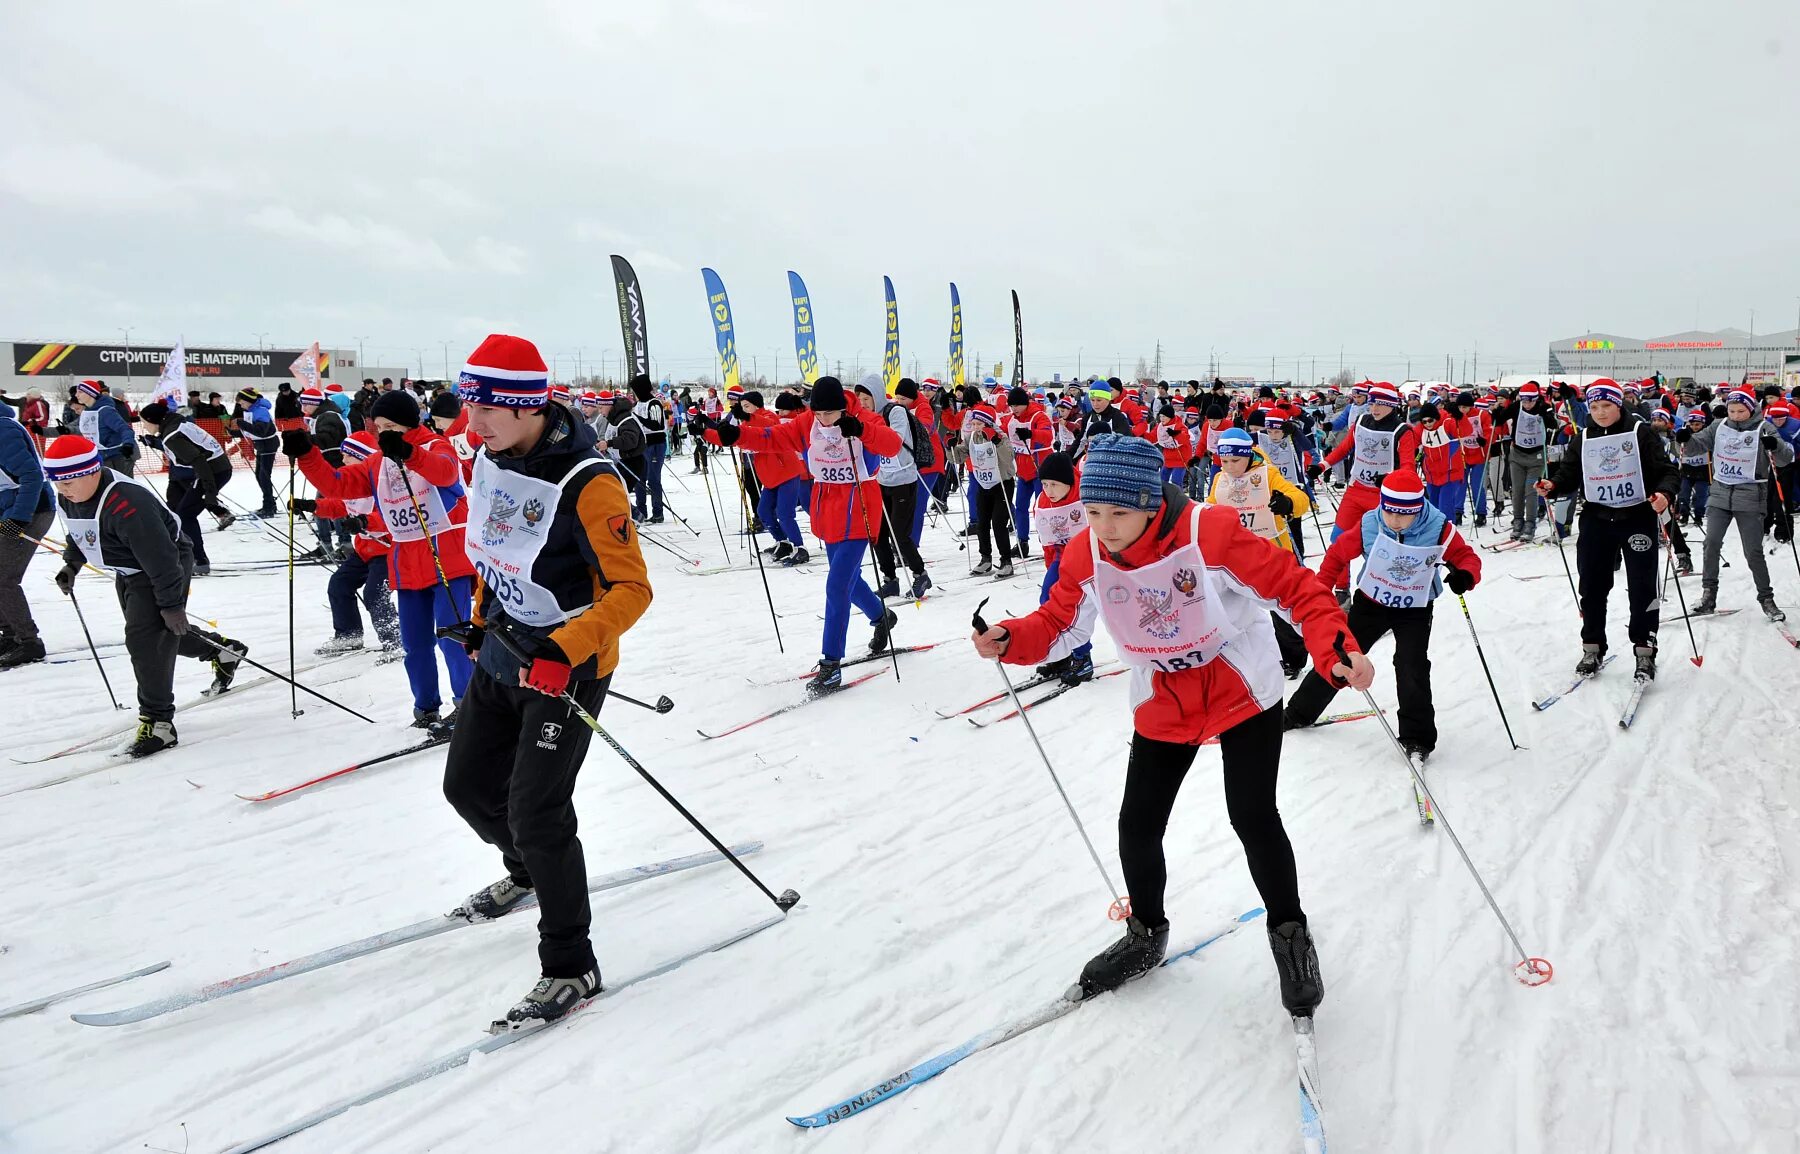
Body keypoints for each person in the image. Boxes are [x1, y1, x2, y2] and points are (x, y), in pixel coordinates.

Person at [970, 433, 1374, 1013]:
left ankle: (1290, 935)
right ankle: (1145, 933)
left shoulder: (1209, 533)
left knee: (1253, 815)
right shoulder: (1088, 552)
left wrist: (1335, 646)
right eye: (1092, 512)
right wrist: (1012, 638)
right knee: (1137, 825)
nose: (1104, 527)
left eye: (1118, 513)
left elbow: (1295, 589)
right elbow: (1061, 622)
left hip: (1242, 686)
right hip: (1165, 695)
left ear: (1151, 502)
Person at [434, 334, 653, 1025]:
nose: (475, 422)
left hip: (567, 669)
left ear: (527, 407)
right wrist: (478, 620)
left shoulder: (591, 482)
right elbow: (494, 554)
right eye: (471, 405)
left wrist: (566, 648)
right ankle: (527, 874)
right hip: (502, 653)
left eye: (489, 408)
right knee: (466, 788)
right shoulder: (490, 456)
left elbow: (633, 590)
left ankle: (570, 964)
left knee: (538, 812)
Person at [43, 436, 248, 755]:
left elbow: (163, 559)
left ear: (93, 470)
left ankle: (159, 724)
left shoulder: (127, 502)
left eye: (69, 479)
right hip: (129, 568)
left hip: (163, 564)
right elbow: (79, 530)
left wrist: (172, 605)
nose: (63, 487)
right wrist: (72, 563)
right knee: (160, 634)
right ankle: (222, 651)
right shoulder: (71, 496)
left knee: (145, 639)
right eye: (56, 480)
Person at [289, 388, 475, 728]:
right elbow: (337, 485)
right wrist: (307, 455)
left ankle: (468, 705)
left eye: (391, 425)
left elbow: (445, 474)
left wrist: (408, 453)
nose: (384, 432)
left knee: (452, 637)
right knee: (415, 645)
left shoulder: (436, 445)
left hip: (447, 557)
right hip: (406, 563)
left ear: (408, 423)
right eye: (379, 426)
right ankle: (426, 708)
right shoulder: (376, 461)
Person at [704, 376, 903, 694]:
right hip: (827, 510)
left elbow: (891, 445)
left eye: (830, 414)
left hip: (860, 510)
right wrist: (733, 435)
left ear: (842, 406)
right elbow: (770, 437)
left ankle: (830, 666)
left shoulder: (863, 418)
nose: (823, 420)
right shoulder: (808, 422)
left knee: (837, 586)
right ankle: (881, 616)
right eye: (818, 413)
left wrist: (863, 431)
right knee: (849, 581)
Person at [1284, 470, 1480, 760]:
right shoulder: (1370, 523)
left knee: (1411, 664)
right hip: (1372, 601)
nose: (1395, 520)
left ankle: (1417, 738)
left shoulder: (1439, 527)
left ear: (1418, 508)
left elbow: (1466, 557)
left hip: (1415, 606)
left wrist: (1465, 575)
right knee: (1341, 655)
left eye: (1404, 515)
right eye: (1389, 512)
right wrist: (1321, 589)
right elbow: (1338, 554)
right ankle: (1299, 712)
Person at [1535, 379, 1679, 680]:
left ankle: (1644, 649)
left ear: (1619, 405)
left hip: (1637, 516)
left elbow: (1667, 470)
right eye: (1595, 407)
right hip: (1597, 519)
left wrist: (1664, 493)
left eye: (1607, 406)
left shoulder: (1640, 433)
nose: (1601, 413)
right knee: (1591, 587)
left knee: (1642, 588)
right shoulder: (1584, 436)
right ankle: (1593, 646)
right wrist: (1554, 485)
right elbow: (1569, 473)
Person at [1680, 385, 1793, 620]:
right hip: (1720, 493)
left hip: (1750, 495)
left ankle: (1767, 599)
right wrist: (1684, 439)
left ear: (1750, 410)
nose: (1735, 416)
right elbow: (1694, 447)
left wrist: (1776, 446)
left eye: (1740, 411)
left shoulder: (1764, 427)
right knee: (1711, 543)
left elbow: (1784, 459)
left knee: (1752, 551)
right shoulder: (1718, 426)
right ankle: (1708, 595)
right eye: (1732, 411)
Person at [1206, 428, 1314, 674]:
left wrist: (1287, 504)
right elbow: (1212, 506)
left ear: (1249, 455)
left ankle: (1293, 658)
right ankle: (1231, 655)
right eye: (1224, 461)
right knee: (1229, 606)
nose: (1230, 467)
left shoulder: (1267, 474)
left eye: (1235, 460)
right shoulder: (1220, 479)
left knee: (1281, 606)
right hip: (1236, 554)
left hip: (1271, 549)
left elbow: (1300, 499)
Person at [136, 402, 235, 575]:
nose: (143, 426)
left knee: (185, 514)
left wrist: (210, 493)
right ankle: (181, 554)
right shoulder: (174, 425)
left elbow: (198, 461)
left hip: (213, 472)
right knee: (175, 511)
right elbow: (183, 448)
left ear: (153, 420)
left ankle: (199, 560)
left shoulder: (172, 434)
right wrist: (154, 442)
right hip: (206, 470)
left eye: (144, 422)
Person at [1311, 383, 1418, 542]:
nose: (1374, 408)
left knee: (1377, 546)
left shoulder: (1402, 430)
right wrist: (1321, 466)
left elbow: (1408, 468)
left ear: (1391, 405)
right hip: (1355, 491)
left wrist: (1391, 479)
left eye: (1380, 404)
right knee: (1338, 540)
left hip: (1382, 496)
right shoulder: (1361, 421)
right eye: (1372, 403)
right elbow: (1343, 449)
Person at [1028, 452, 1095, 685]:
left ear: (1068, 482)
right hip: (1062, 558)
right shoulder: (1044, 503)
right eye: (1045, 484)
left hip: (1092, 559)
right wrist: (1051, 570)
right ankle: (1061, 653)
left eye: (1054, 484)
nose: (1049, 490)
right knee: (1048, 597)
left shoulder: (1085, 494)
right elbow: (1047, 541)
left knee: (1076, 608)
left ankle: (1082, 657)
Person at [0, 399, 55, 667]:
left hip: (32, 511)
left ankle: (29, 642)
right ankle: (10, 634)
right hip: (9, 510)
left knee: (3, 577)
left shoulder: (4, 430)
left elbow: (31, 476)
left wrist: (18, 518)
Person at [872, 381, 933, 599]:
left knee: (899, 535)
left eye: (866, 398)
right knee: (878, 534)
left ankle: (920, 574)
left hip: (903, 480)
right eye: (859, 399)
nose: (862, 403)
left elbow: (894, 441)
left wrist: (870, 432)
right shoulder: (867, 416)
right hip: (882, 480)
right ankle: (890, 579)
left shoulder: (895, 412)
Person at [963, 404, 1018, 577]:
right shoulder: (972, 437)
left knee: (998, 522)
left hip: (1002, 483)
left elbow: (1009, 458)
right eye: (974, 424)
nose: (976, 428)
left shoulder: (1000, 435)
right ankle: (985, 558)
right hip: (983, 483)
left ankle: (1006, 560)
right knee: (982, 522)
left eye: (980, 424)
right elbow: (960, 454)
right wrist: (951, 448)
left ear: (987, 424)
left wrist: (998, 442)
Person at [1494, 382, 1553, 540]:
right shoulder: (1516, 407)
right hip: (1517, 455)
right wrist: (1497, 409)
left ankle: (1530, 523)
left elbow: (1553, 424)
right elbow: (1499, 420)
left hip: (1536, 457)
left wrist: (1547, 415)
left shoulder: (1543, 406)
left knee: (1531, 490)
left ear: (1536, 399)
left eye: (1530, 401)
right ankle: (1518, 521)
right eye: (1524, 401)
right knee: (1518, 490)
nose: (1527, 405)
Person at [69, 380, 137, 473]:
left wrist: (128, 444)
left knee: (117, 487)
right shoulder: (86, 412)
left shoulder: (105, 411)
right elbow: (80, 430)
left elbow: (125, 429)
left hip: (114, 459)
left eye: (80, 392)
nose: (76, 395)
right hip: (97, 457)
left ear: (90, 393)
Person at [234, 388, 280, 516]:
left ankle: (269, 507)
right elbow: (251, 430)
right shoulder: (251, 410)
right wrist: (234, 432)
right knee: (259, 475)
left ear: (249, 400)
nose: (240, 405)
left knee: (264, 477)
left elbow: (260, 431)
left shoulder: (260, 411)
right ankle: (270, 503)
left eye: (242, 402)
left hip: (268, 445)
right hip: (261, 445)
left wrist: (241, 423)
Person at [628, 374, 668, 524]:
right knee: (639, 479)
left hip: (656, 444)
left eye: (636, 390)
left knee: (653, 479)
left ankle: (658, 512)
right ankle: (641, 512)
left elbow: (656, 425)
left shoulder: (654, 403)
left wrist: (637, 419)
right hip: (642, 446)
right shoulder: (638, 405)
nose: (635, 394)